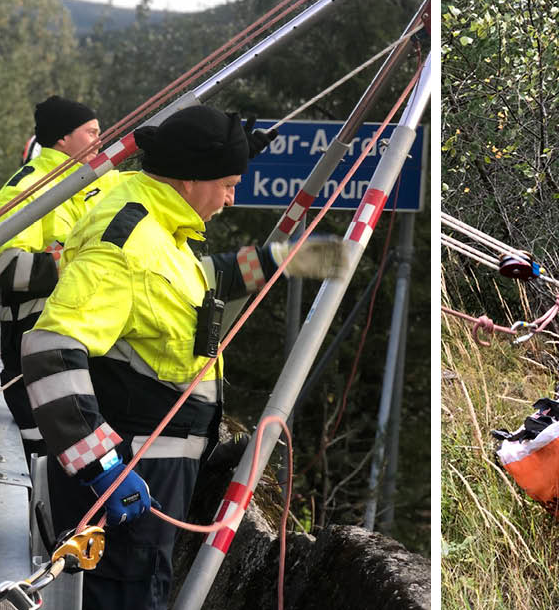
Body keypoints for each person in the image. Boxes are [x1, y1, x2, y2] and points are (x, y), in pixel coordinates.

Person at [20, 104, 346, 608]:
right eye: (229, 183)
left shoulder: (154, 220)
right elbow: (50, 349)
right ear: (192, 178)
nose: (232, 199)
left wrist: (278, 260)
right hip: (131, 480)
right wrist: (101, 465)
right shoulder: (129, 241)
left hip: (149, 471)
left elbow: (188, 282)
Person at [0, 95, 120, 457]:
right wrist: (80, 261)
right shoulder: (25, 187)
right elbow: (8, 268)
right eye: (91, 131)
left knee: (92, 451)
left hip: (89, 340)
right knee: (46, 452)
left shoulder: (105, 180)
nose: (100, 138)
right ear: (63, 138)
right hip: (36, 345)